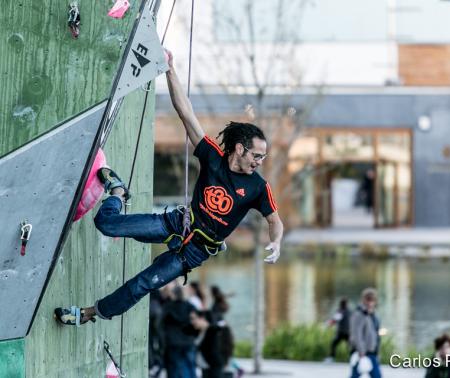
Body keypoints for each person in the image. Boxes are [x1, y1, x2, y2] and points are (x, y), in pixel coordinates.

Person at [54, 50, 284, 326]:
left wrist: (276, 240)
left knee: (144, 283)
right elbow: (185, 112)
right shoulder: (213, 157)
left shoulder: (258, 186)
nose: (260, 162)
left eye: (263, 158)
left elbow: (274, 220)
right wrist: (170, 70)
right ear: (239, 149)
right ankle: (117, 192)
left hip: (195, 251)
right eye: (256, 156)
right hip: (176, 223)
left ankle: (86, 314)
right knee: (107, 225)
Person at [161, 284, 199, 378]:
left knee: (173, 369)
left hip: (172, 343)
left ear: (174, 294)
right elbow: (196, 323)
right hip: (189, 342)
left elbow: (160, 324)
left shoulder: (167, 307)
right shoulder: (191, 307)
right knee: (190, 368)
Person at [191, 310, 235, 378]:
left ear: (202, 319)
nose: (192, 322)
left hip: (214, 367)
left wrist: (223, 362)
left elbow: (226, 347)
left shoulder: (213, 332)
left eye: (194, 319)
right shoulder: (202, 332)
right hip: (206, 367)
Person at [349, 288, 381, 378]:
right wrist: (361, 352)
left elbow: (375, 334)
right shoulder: (359, 314)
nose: (370, 302)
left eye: (372, 300)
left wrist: (377, 352)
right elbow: (357, 334)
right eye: (368, 299)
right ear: (363, 299)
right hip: (361, 352)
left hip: (372, 352)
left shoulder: (373, 315)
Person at [326, 297, 350, 362]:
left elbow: (335, 319)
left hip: (341, 332)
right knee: (350, 345)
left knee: (334, 344)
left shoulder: (341, 311)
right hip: (348, 332)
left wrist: (329, 324)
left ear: (341, 304)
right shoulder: (349, 311)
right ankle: (352, 357)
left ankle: (331, 357)